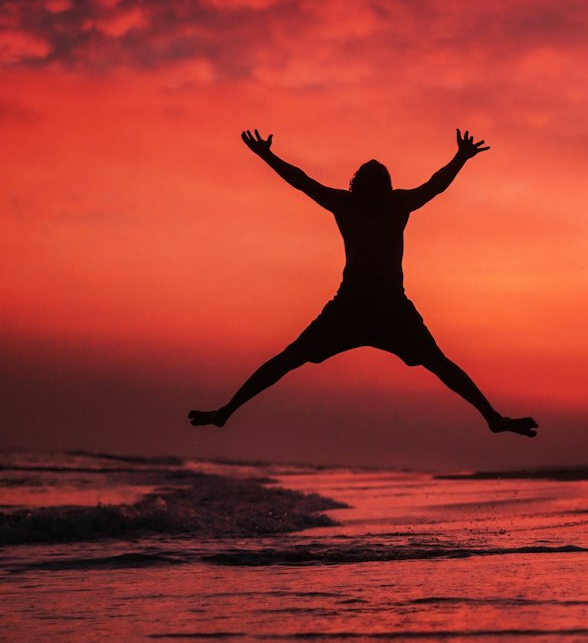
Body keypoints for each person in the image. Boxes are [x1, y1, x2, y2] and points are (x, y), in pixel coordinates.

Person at [189, 129, 538, 437]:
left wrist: (460, 159)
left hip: (381, 305)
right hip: (357, 304)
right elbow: (302, 180)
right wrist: (267, 156)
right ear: (367, 185)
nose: (374, 187)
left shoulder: (374, 203)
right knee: (292, 357)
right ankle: (226, 412)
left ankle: (493, 418)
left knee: (436, 362)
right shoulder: (368, 203)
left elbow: (434, 186)